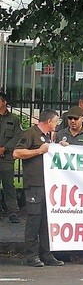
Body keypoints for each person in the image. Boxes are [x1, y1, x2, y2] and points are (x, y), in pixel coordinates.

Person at [13, 109, 64, 267]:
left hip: (47, 184)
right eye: (56, 121)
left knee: (46, 221)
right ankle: (32, 255)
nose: (57, 125)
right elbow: (16, 153)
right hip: (34, 184)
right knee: (34, 220)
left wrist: (59, 147)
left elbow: (48, 152)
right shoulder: (31, 133)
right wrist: (38, 151)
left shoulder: (47, 136)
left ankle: (46, 254)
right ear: (49, 121)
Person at [56, 106, 83, 264]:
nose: (72, 121)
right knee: (64, 217)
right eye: (70, 118)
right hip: (65, 183)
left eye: (76, 118)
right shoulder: (61, 134)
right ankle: (63, 252)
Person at [0, 92, 23, 223]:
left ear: (4, 102)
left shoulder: (14, 119)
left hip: (6, 158)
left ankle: (13, 212)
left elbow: (18, 136)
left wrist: (5, 148)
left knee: (9, 185)